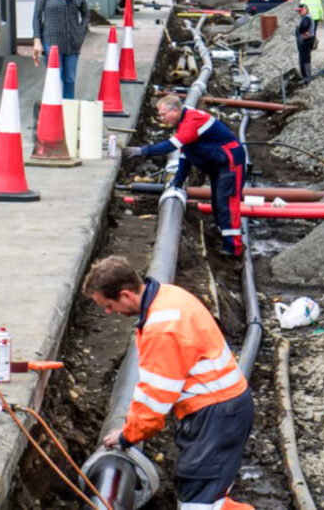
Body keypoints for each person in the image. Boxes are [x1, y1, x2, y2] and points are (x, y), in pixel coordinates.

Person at [84, 256, 254, 510]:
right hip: (223, 410)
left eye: (108, 305)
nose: (109, 313)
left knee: (197, 502)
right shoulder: (169, 295)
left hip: (214, 417)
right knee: (209, 496)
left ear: (126, 294)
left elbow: (154, 400)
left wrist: (127, 436)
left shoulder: (162, 329)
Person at [124, 94, 246, 256]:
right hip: (219, 162)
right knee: (218, 200)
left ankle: (234, 247)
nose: (161, 119)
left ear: (175, 111)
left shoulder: (190, 122)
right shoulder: (184, 121)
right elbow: (185, 155)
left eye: (163, 114)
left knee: (226, 201)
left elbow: (171, 146)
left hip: (230, 161)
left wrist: (143, 151)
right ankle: (222, 234)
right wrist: (178, 181)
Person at [32, 0, 89, 100]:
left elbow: (86, 13)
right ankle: (54, 109)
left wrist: (81, 31)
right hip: (51, 40)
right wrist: (37, 40)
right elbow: (37, 16)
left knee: (69, 78)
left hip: (73, 41)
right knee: (55, 77)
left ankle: (67, 111)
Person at [295, 2, 316, 83]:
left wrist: (302, 31)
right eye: (298, 11)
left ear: (306, 9)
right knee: (303, 59)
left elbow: (304, 27)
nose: (299, 13)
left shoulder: (306, 18)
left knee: (305, 59)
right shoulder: (305, 17)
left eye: (300, 11)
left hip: (306, 42)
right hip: (304, 42)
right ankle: (305, 77)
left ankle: (307, 77)